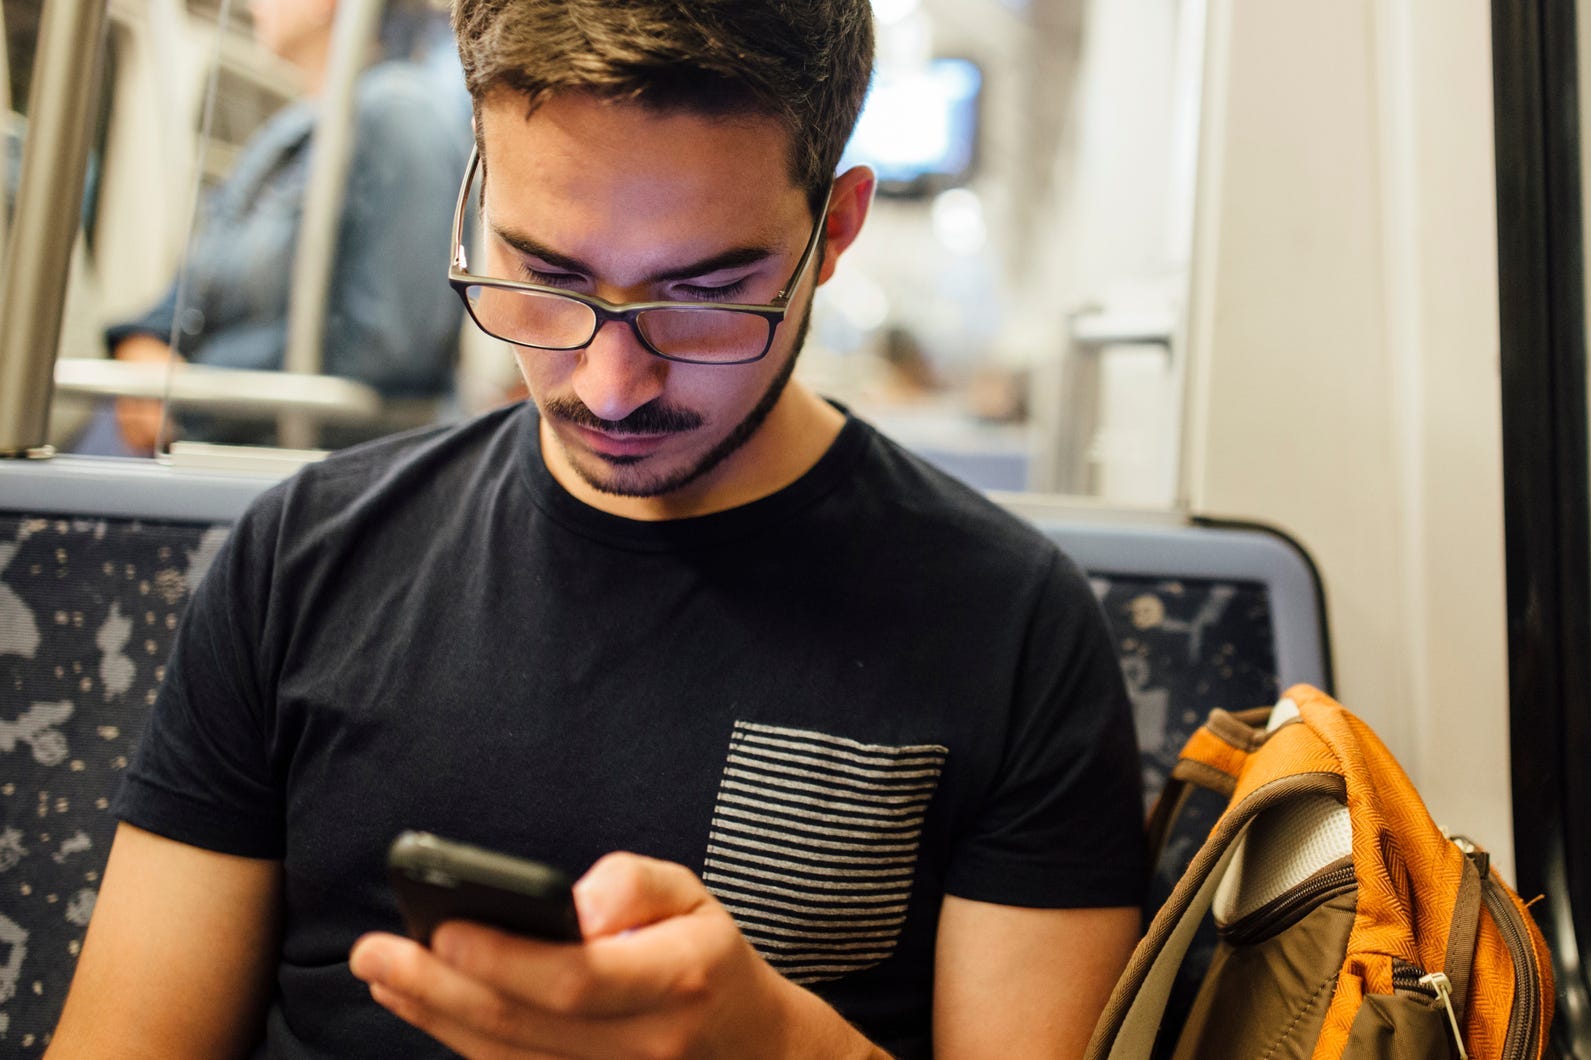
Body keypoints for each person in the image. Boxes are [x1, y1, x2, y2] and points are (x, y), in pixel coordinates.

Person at [48, 1, 1145, 1056]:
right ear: (478, 194)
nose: (612, 386)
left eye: (706, 293)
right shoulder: (300, 560)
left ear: (835, 228)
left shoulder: (1012, 631)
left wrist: (778, 1052)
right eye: (546, 273)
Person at [100, 0, 470, 453]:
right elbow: (195, 284)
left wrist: (188, 394)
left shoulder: (402, 114)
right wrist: (145, 344)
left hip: (302, 461)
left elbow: (388, 355)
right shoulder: (289, 132)